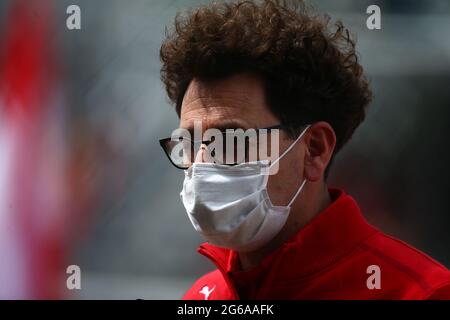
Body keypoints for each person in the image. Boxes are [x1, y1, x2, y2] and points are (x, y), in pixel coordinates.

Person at [158, 0, 450, 299]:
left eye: (232, 140)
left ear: (314, 149)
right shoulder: (203, 296)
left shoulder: (421, 293)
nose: (202, 164)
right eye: (190, 143)